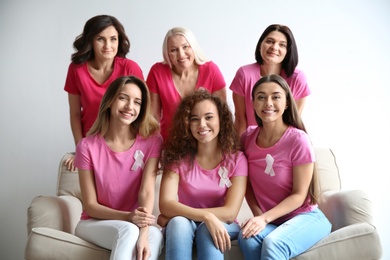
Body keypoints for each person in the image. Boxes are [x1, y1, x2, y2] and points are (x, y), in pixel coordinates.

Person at [238, 74, 331, 260]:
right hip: (273, 221)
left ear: (287, 103)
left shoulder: (298, 140)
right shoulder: (247, 138)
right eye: (261, 97)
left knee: (273, 243)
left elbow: (299, 195)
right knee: (247, 237)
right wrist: (259, 217)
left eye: (276, 96)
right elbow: (246, 184)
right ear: (253, 103)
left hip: (306, 218)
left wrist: (265, 219)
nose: (268, 102)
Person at [74, 76, 163, 260]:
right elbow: (90, 206)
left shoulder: (152, 141)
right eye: (123, 98)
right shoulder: (87, 146)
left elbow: (146, 192)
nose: (130, 106)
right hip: (94, 223)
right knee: (129, 231)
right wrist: (128, 217)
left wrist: (144, 233)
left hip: (136, 222)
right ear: (110, 101)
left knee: (155, 236)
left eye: (137, 102)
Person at [158, 89, 247, 260]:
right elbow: (166, 204)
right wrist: (206, 216)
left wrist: (205, 220)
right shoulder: (176, 157)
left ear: (221, 119)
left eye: (209, 117)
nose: (202, 125)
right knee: (177, 223)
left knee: (205, 229)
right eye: (194, 119)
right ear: (187, 124)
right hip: (185, 224)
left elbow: (230, 213)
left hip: (225, 225)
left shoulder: (237, 159)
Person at [64, 15, 144, 171]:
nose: (108, 45)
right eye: (101, 39)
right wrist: (80, 149)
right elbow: (75, 114)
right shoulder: (76, 69)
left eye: (113, 39)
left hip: (125, 143)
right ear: (90, 41)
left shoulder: (130, 68)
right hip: (92, 143)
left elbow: (141, 110)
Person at [146, 26, 227, 141]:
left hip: (205, 143)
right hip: (170, 142)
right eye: (173, 50)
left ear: (193, 47)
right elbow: (152, 118)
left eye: (185, 47)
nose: (181, 54)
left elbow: (222, 115)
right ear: (167, 53)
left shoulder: (211, 70)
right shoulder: (157, 72)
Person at [230, 24, 311, 137]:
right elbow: (240, 120)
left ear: (288, 51)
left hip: (284, 142)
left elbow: (293, 121)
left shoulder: (298, 78)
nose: (274, 47)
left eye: (282, 45)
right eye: (270, 41)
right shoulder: (244, 74)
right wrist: (239, 151)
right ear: (260, 45)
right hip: (251, 142)